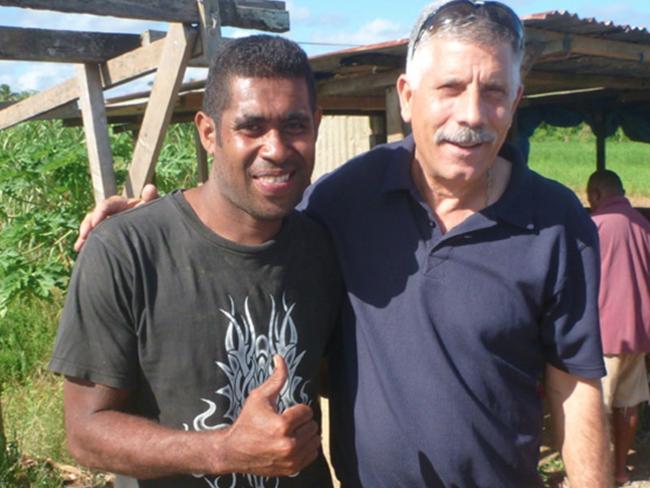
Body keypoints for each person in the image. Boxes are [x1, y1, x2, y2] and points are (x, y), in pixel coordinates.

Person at [75, 1, 611, 486]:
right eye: (449, 88)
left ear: (516, 99)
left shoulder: (557, 222)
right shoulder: (344, 200)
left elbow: (577, 388)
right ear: (407, 96)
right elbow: (243, 217)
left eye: (493, 90)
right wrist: (141, 227)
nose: (471, 114)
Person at [50, 35, 342, 488]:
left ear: (317, 125)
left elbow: (334, 374)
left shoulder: (325, 248)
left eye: (295, 125)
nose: (277, 148)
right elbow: (85, 432)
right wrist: (224, 449)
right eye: (251, 127)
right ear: (209, 132)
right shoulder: (128, 251)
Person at [587, 169, 650, 485]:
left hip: (603, 332)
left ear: (596, 194)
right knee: (629, 401)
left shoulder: (594, 227)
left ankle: (596, 474)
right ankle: (621, 470)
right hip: (639, 332)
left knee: (596, 407)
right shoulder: (644, 224)